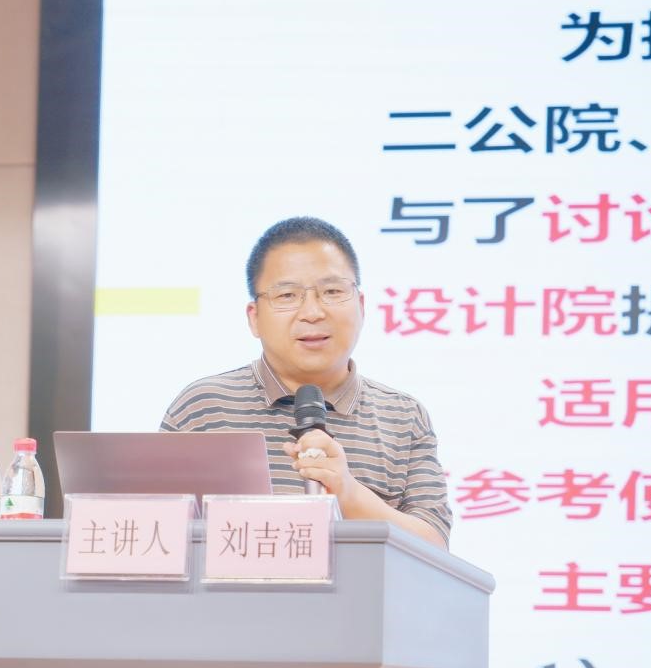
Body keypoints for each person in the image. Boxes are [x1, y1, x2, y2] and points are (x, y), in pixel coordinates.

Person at [161, 217, 452, 548]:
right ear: (254, 318)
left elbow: (434, 547)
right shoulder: (203, 408)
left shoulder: (403, 416)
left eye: (332, 291)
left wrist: (348, 492)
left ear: (361, 306)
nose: (312, 312)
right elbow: (152, 533)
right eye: (287, 295)